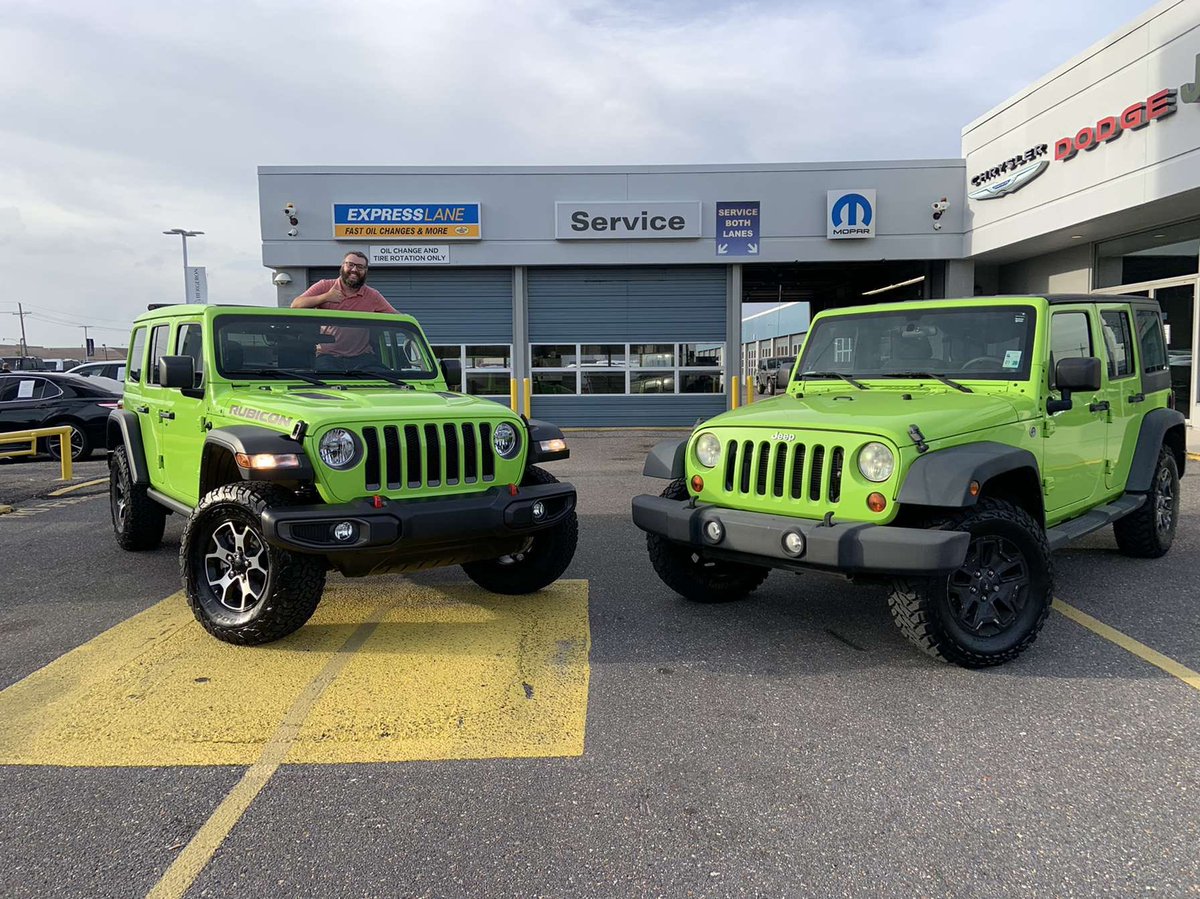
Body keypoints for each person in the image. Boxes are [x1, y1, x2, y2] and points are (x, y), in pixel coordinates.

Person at [290, 251, 397, 368]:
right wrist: (325, 297)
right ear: (343, 266)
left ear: (366, 271)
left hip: (362, 358)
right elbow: (296, 305)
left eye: (360, 267)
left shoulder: (373, 296)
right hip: (328, 357)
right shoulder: (324, 286)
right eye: (350, 265)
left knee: (385, 382)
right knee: (322, 384)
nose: (354, 270)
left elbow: (398, 319)